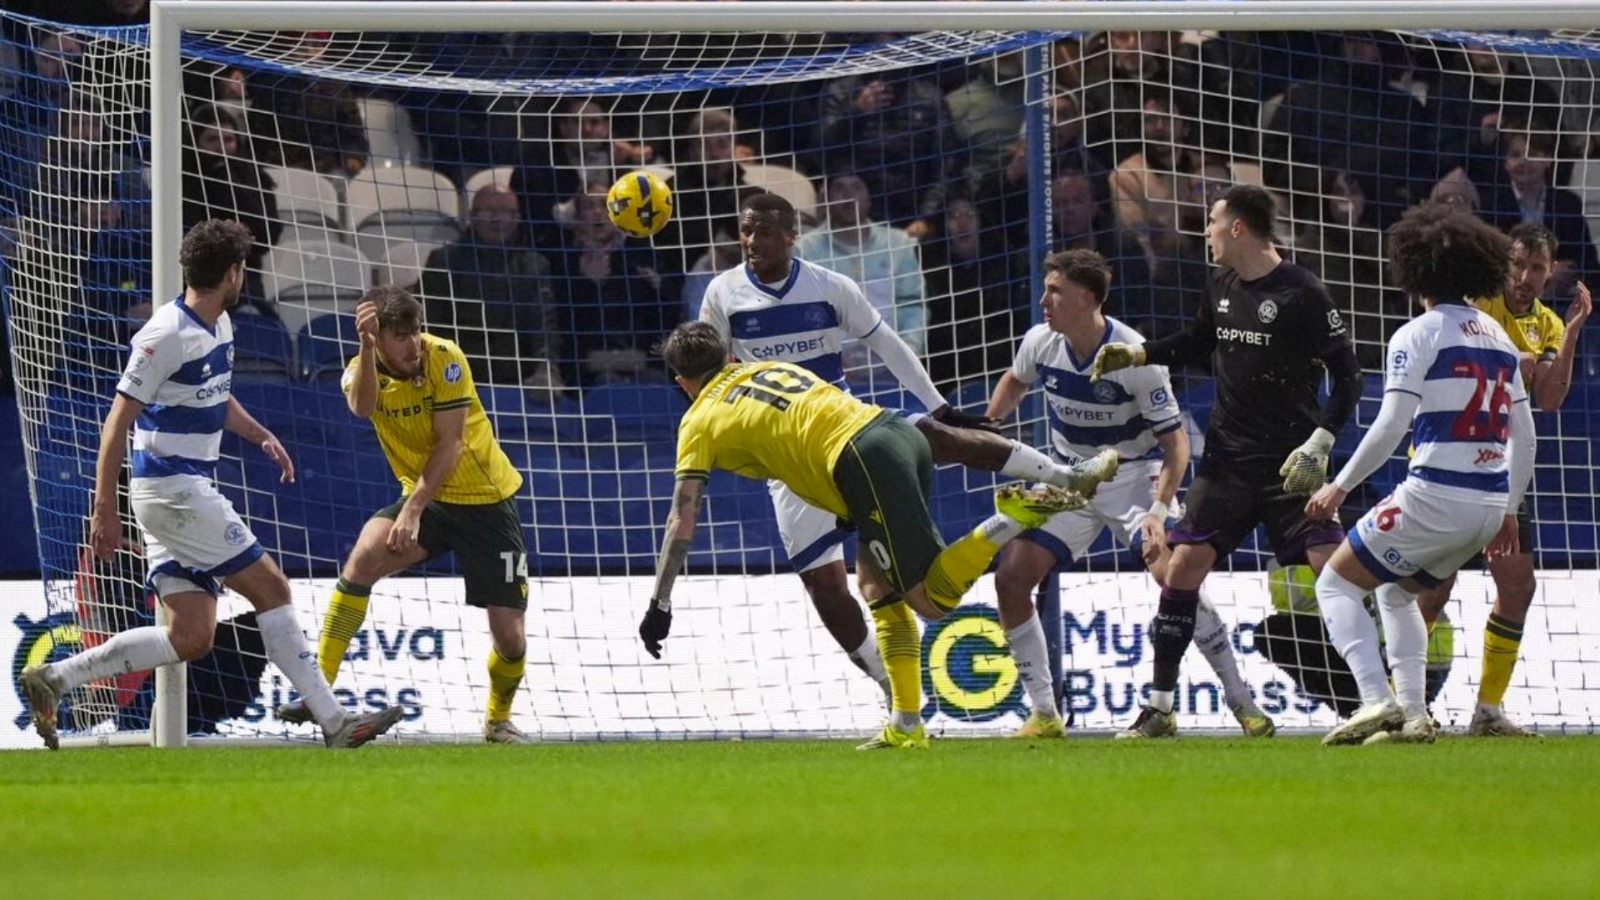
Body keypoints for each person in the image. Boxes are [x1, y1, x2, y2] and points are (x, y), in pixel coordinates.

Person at [700, 192, 1115, 707]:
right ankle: (895, 699)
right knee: (836, 590)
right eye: (745, 230)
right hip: (787, 461)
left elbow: (888, 343)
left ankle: (1062, 477)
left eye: (764, 231)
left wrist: (937, 404)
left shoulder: (830, 286)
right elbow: (713, 374)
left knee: (939, 443)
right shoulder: (723, 293)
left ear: (791, 237)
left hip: (843, 428)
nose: (751, 242)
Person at [19, 220, 404, 750]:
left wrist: (259, 433)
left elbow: (214, 396)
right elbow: (115, 424)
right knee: (273, 588)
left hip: (179, 490)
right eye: (243, 268)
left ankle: (56, 678)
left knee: (191, 636)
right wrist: (103, 509)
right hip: (173, 490)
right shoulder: (165, 334)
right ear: (232, 272)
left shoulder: (217, 326)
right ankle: (336, 722)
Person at [639, 322, 1110, 750]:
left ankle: (1013, 516)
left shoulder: (698, 420)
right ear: (732, 361)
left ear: (683, 382)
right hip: (893, 430)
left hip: (861, 463)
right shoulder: (770, 368)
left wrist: (660, 601)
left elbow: (683, 518)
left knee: (930, 601)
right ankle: (906, 721)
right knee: (876, 587)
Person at [1091, 184, 1363, 738]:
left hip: (1292, 467)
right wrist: (1141, 353)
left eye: (1213, 222)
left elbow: (1349, 378)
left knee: (1336, 574)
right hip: (1228, 463)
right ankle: (1161, 707)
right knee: (1182, 567)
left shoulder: (1304, 293)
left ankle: (1379, 698)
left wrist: (1320, 442)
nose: (1207, 232)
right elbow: (1198, 342)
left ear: (1238, 227)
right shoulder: (1220, 283)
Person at [986, 249, 1275, 739]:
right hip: (1067, 477)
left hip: (1133, 476)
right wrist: (990, 429)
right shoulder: (1041, 342)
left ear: (1087, 298)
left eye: (1055, 291)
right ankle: (1044, 714)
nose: (1044, 300)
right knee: (1011, 579)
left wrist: (1159, 511)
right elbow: (1015, 381)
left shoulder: (1133, 356)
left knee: (1176, 580)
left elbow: (1177, 444)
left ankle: (1240, 699)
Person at [1306, 203, 1535, 746]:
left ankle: (1375, 700)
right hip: (1485, 504)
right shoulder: (1500, 340)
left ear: (1415, 269)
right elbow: (1526, 437)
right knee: (1397, 595)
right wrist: (1508, 512)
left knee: (1335, 583)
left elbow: (1391, 424)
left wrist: (1338, 486)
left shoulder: (1417, 334)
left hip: (1436, 494)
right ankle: (1412, 716)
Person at [275, 285, 535, 743]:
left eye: (415, 331)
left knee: (510, 638)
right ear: (379, 338)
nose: (413, 343)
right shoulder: (361, 369)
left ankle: (497, 720)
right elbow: (361, 407)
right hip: (428, 500)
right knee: (362, 560)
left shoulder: (446, 358)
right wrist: (366, 347)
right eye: (400, 336)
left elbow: (451, 443)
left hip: (485, 502)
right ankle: (320, 692)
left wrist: (413, 508)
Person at [1413, 222, 1591, 736]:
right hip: (1450, 458)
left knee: (1517, 584)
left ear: (1550, 271)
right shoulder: (1476, 304)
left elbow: (1551, 398)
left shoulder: (1550, 324)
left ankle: (1487, 711)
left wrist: (1574, 330)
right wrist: (1519, 362)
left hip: (1504, 470)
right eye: (1518, 264)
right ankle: (1406, 701)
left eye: (1537, 268)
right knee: (1435, 586)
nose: (1525, 276)